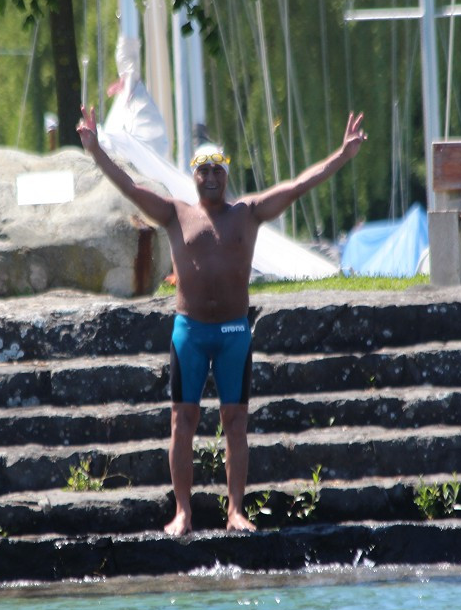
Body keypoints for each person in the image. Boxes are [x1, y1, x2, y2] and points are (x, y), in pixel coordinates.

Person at [76, 107, 367, 535]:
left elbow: (298, 185)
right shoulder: (175, 212)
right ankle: (183, 512)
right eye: (203, 171)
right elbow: (131, 186)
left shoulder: (247, 213)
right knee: (182, 421)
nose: (211, 177)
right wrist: (96, 149)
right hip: (189, 332)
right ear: (193, 176)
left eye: (218, 170)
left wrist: (342, 156)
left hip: (233, 332)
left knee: (235, 421)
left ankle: (234, 511)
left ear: (226, 174)